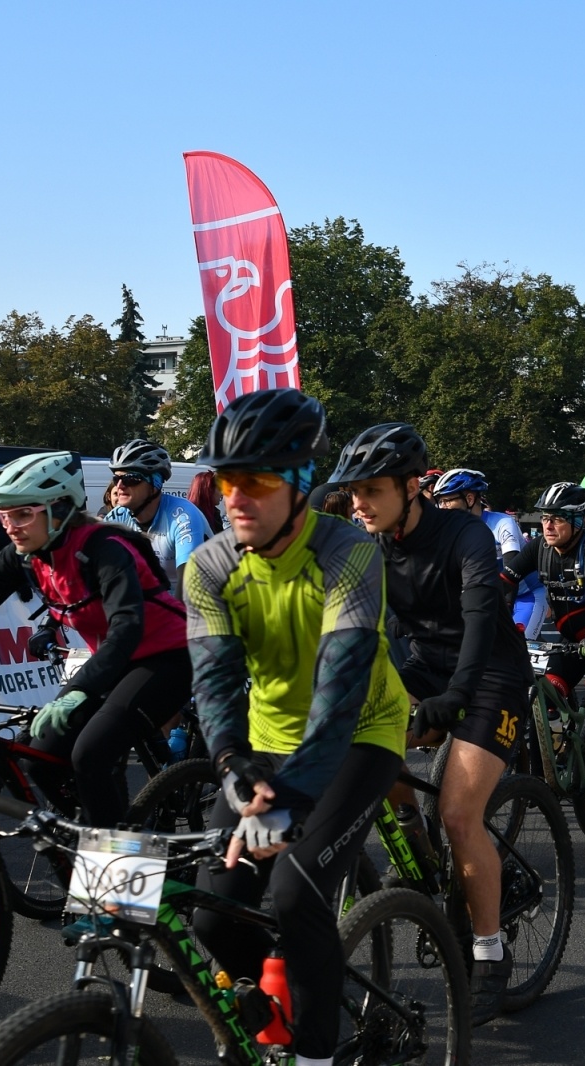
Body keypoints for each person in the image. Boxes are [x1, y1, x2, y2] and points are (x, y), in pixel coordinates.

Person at [179, 390, 407, 1066]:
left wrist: (285, 804)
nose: (236, 497)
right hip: (266, 742)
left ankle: (314, 1054)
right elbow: (214, 681)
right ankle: (281, 996)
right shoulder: (210, 567)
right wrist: (230, 762)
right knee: (213, 915)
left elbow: (339, 697)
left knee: (296, 887)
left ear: (302, 483)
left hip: (362, 732)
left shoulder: (350, 556)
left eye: (258, 479)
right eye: (226, 480)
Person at [331, 428, 532, 1023]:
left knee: (460, 814)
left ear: (412, 486)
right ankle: (416, 857)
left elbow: (476, 621)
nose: (359, 503)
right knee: (359, 749)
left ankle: (490, 953)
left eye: (372, 490)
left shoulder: (465, 534)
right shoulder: (365, 544)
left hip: (490, 673)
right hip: (423, 667)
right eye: (353, 493)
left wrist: (457, 697)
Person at [0, 451, 192, 832]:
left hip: (167, 658)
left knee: (91, 754)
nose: (10, 526)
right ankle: (85, 836)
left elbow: (127, 625)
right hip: (111, 660)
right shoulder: (23, 555)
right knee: (36, 757)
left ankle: (116, 866)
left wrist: (79, 690)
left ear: (59, 508)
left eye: (22, 513)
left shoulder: (105, 548)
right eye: (3, 514)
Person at [502, 482, 585, 783]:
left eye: (557, 518)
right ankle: (556, 760)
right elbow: (504, 582)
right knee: (544, 697)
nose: (547, 525)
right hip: (571, 639)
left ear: (578, 520)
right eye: (545, 517)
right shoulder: (540, 547)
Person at [432, 467, 546, 638]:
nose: (442, 507)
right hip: (490, 599)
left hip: (527, 596)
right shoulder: (454, 532)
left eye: (447, 500)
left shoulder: (503, 523)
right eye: (439, 502)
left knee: (514, 646)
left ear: (469, 498)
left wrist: (503, 610)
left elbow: (511, 568)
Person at [103, 438, 212, 599]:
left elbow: (189, 586)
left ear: (155, 484)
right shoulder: (117, 517)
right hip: (157, 602)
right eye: (116, 479)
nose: (119, 486)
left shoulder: (183, 515)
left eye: (130, 479)